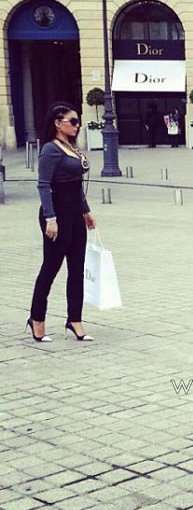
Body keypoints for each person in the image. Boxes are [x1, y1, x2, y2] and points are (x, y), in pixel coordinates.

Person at [28, 103, 96, 342]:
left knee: (77, 268)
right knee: (51, 268)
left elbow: (75, 184)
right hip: (56, 214)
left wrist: (85, 211)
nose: (77, 126)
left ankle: (74, 320)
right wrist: (50, 218)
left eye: (77, 121)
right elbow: (43, 185)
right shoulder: (50, 150)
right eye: (72, 121)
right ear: (57, 123)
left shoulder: (71, 147)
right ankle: (37, 319)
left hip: (75, 214)